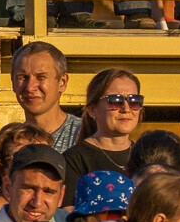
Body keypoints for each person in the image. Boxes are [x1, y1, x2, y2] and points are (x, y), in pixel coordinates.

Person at [61, 69, 143, 198]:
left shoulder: (144, 156)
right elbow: (67, 212)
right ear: (92, 110)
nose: (126, 108)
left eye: (134, 100)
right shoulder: (74, 159)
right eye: (115, 100)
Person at [9, 42, 79, 153]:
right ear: (12, 83)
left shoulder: (84, 136)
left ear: (62, 82)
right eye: (23, 77)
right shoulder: (8, 143)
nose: (30, 87)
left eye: (41, 77)